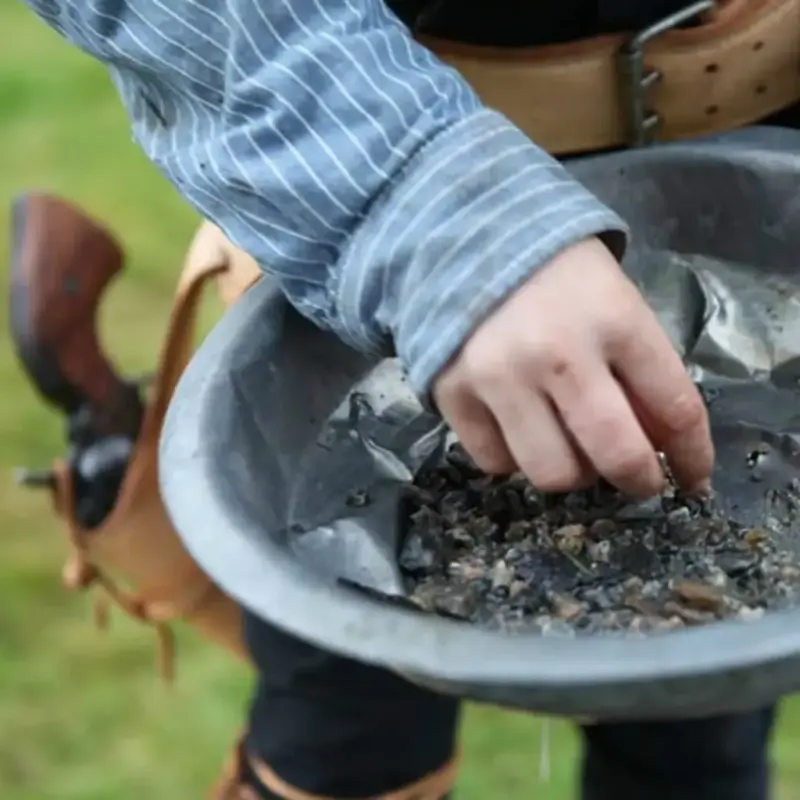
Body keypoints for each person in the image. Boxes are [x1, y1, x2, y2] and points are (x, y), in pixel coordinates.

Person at [22, 1, 789, 798]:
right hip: (369, 199)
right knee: (346, 747)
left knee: (699, 728)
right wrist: (430, 210)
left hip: (751, 190)